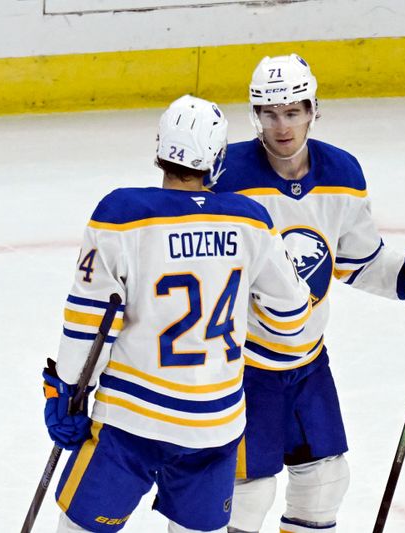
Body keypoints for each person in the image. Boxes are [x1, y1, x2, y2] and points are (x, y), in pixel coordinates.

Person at [210, 54, 405, 533]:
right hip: (244, 365)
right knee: (247, 494)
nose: (281, 126)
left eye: (293, 112)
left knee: (325, 482)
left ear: (315, 110)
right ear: (255, 116)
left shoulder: (342, 173)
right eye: (269, 114)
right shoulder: (226, 179)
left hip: (308, 360)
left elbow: (362, 263)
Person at [41, 94, 312, 533]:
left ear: (160, 148)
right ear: (218, 157)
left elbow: (89, 322)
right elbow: (291, 313)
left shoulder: (122, 216)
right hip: (216, 422)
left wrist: (66, 390)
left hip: (133, 420)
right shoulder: (251, 221)